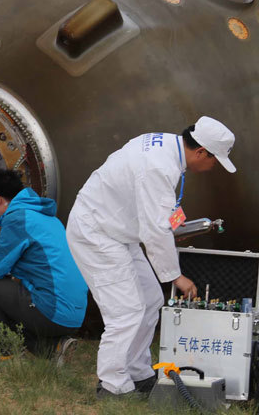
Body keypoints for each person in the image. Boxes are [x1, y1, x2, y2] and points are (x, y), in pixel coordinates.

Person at [66, 116, 236, 399]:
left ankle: (138, 372)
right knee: (126, 311)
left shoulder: (167, 146)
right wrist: (176, 276)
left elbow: (156, 219)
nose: (213, 167)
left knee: (150, 300)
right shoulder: (159, 166)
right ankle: (112, 386)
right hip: (96, 232)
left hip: (118, 231)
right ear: (201, 152)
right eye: (214, 160)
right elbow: (155, 231)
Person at [0, 170, 87, 358]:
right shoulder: (44, 216)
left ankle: (6, 354)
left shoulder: (17, 219)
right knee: (14, 290)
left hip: (53, 312)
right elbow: (29, 255)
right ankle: (54, 348)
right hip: (74, 314)